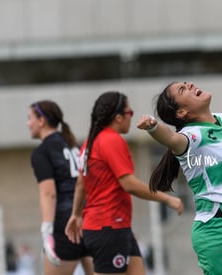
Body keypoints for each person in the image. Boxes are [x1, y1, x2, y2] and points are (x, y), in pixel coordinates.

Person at [136, 81, 222, 275]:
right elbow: (172, 139)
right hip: (220, 227)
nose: (189, 85)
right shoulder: (192, 136)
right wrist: (153, 127)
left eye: (186, 83)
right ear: (181, 113)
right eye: (182, 90)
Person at [64, 91, 184, 275]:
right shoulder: (111, 140)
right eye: (130, 113)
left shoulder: (90, 142)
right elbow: (129, 184)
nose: (131, 117)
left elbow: (81, 184)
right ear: (118, 117)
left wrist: (76, 214)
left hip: (114, 227)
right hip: (108, 227)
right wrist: (167, 199)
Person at [27, 100, 93, 275]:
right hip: (90, 221)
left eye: (30, 118)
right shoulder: (75, 146)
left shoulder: (43, 151)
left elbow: (49, 193)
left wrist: (47, 231)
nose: (28, 123)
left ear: (41, 121)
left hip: (66, 227)